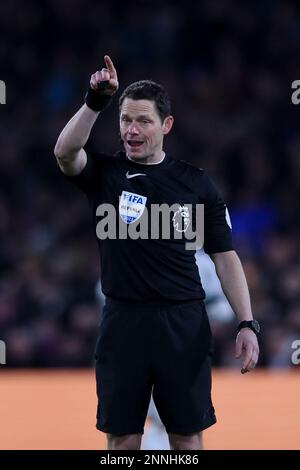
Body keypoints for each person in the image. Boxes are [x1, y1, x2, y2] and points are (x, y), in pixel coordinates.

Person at [54, 55, 260, 450]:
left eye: (143, 121)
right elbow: (65, 152)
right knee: (123, 440)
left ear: (166, 125)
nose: (132, 130)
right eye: (126, 120)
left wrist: (247, 323)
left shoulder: (197, 185)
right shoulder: (105, 175)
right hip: (123, 322)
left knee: (185, 438)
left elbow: (225, 258)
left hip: (182, 323)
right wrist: (95, 101)